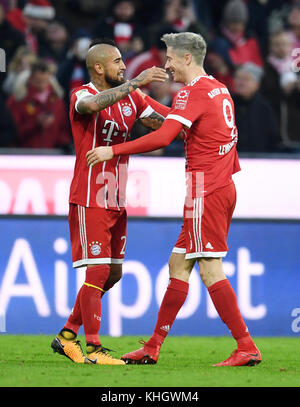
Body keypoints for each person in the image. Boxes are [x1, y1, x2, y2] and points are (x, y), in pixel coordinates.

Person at [87, 32, 262, 367]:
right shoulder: (218, 89)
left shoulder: (191, 93)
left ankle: (245, 345)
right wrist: (143, 99)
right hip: (221, 185)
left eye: (169, 58)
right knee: (178, 265)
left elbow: (166, 135)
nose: (165, 65)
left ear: (186, 58)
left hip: (205, 188)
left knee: (211, 270)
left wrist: (113, 149)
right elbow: (191, 128)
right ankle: (152, 346)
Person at [50, 37, 168, 365]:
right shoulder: (82, 94)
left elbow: (165, 123)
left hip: (117, 198)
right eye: (117, 61)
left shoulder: (132, 100)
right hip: (90, 197)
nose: (123, 65)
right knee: (98, 269)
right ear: (99, 67)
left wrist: (196, 116)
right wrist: (136, 83)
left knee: (112, 273)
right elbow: (89, 108)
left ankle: (67, 335)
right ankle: (93, 348)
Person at [6, 60, 71, 149]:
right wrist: (35, 124)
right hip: (24, 153)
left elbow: (63, 127)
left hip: (53, 154)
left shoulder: (57, 99)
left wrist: (65, 144)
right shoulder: (18, 99)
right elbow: (12, 131)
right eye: (38, 81)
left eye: (45, 81)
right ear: (30, 79)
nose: (42, 85)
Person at [233, 62, 281, 153]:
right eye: (238, 78)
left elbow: (272, 137)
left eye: (245, 79)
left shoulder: (264, 107)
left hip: (259, 160)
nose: (240, 82)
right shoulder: (227, 103)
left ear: (256, 84)